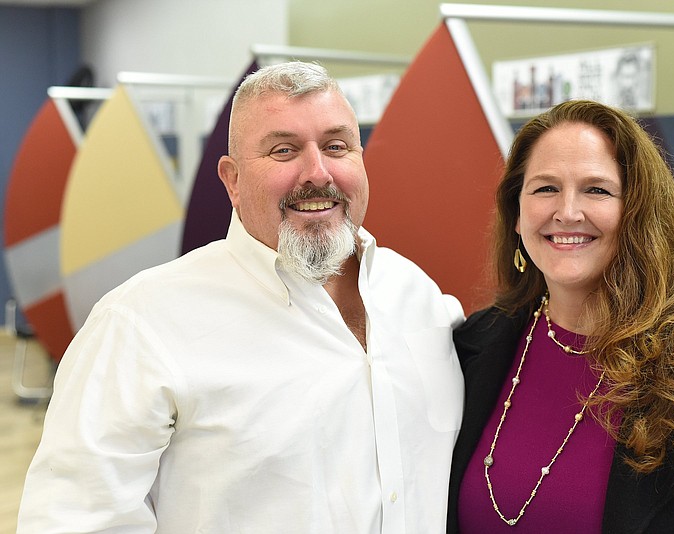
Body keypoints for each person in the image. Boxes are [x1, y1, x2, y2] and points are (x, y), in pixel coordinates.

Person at [18, 61, 465, 533]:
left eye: (336, 146)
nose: (317, 172)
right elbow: (74, 520)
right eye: (283, 150)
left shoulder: (419, 297)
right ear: (231, 180)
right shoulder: (140, 325)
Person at [447, 99, 674, 533]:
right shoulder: (471, 347)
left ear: (637, 212)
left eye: (597, 189)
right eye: (545, 188)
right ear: (516, 215)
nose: (567, 212)